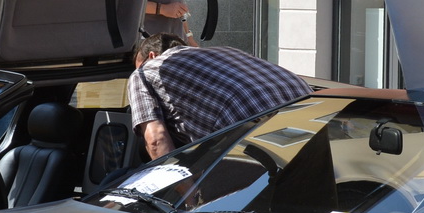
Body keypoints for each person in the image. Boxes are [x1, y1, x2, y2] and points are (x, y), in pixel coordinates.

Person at [128, 34, 309, 159]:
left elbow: (156, 140)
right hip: (312, 116)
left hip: (253, 130)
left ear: (151, 56)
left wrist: (184, 197)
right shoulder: (225, 51)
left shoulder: (144, 72)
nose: (138, 70)